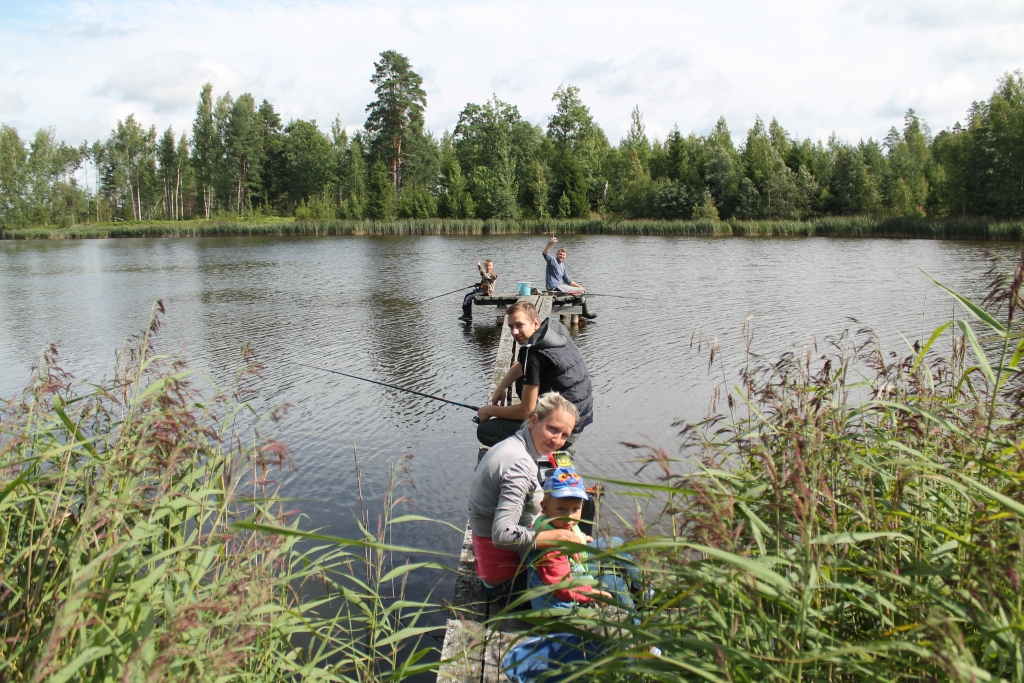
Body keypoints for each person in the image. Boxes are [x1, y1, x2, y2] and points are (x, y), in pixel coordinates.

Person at [467, 393, 582, 599]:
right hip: (507, 581)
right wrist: (561, 537)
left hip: (498, 567)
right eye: (552, 429)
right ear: (534, 419)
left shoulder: (515, 445)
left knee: (609, 548)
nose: (557, 441)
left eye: (564, 435)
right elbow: (503, 535)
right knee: (607, 570)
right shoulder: (519, 465)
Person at [476, 301, 594, 447]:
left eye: (519, 325)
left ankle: (541, 451)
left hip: (562, 434)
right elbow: (520, 365)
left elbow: (526, 411)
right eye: (511, 327)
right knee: (521, 372)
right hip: (578, 422)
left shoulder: (534, 355)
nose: (514, 332)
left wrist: (490, 410)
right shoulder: (553, 333)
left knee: (485, 430)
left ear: (535, 323)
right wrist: (502, 386)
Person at [524, 467, 611, 609]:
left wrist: (581, 537)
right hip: (561, 614)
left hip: (577, 585)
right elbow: (563, 589)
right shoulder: (551, 550)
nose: (569, 517)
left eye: (575, 509)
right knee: (616, 586)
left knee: (616, 546)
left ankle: (641, 593)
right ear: (545, 507)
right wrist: (594, 595)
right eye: (561, 510)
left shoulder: (556, 523)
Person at [542, 237, 596, 319]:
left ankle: (578, 314)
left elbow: (568, 280)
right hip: (555, 288)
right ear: (556, 254)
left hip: (560, 288)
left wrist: (579, 286)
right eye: (560, 254)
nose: (562, 256)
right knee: (580, 292)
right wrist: (550, 243)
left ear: (565, 257)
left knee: (580, 291)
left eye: (563, 255)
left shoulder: (562, 266)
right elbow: (545, 253)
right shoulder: (552, 261)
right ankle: (584, 313)